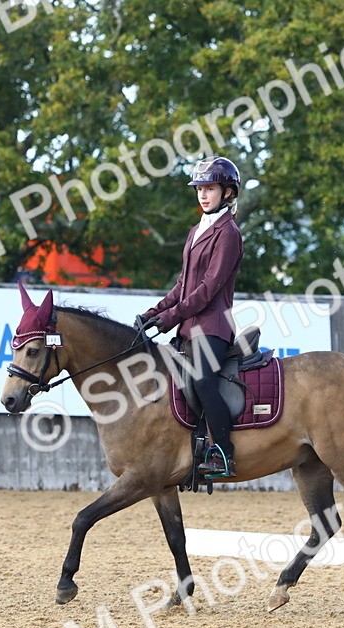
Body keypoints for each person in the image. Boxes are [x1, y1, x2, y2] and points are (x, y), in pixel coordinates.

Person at [136, 155, 244, 478]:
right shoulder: (196, 230)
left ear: (227, 192)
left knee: (202, 379)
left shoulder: (229, 234)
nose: (203, 194)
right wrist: (153, 313)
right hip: (188, 327)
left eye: (210, 188)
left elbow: (208, 288)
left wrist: (170, 319)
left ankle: (223, 453)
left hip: (213, 328)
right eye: (200, 188)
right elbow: (182, 286)